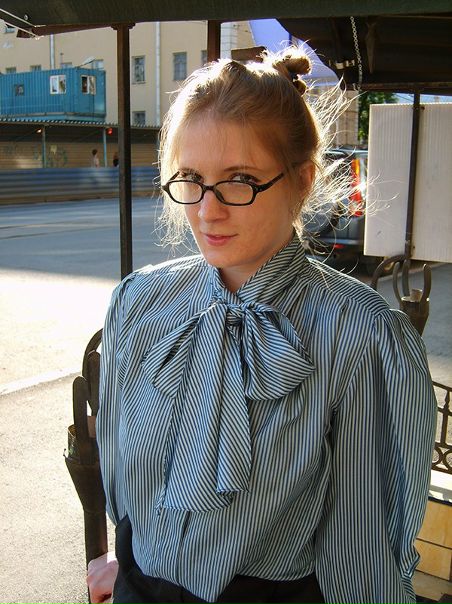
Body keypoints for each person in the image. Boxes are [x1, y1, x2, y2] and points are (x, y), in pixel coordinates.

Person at [87, 48, 437, 604]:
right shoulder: (140, 303)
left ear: (301, 180)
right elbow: (121, 476)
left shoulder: (361, 337)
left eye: (240, 180)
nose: (208, 210)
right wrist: (131, 561)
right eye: (191, 178)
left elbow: (363, 549)